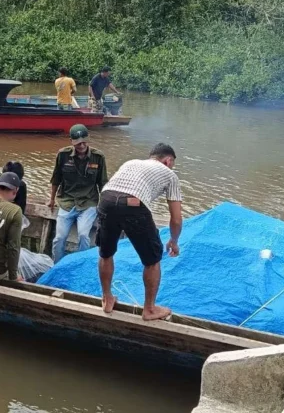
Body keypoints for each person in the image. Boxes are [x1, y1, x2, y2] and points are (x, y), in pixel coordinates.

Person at [96, 143, 183, 321]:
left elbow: (115, 191)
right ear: (168, 160)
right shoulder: (170, 174)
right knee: (153, 259)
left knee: (106, 253)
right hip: (133, 203)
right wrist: (173, 241)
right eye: (172, 163)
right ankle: (149, 309)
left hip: (105, 199)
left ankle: (107, 298)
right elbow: (176, 219)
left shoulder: (131, 163)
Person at [48, 124, 108, 262]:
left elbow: (103, 183)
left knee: (83, 235)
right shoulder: (63, 155)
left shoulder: (98, 157)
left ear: (88, 140)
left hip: (88, 203)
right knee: (59, 238)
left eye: (83, 142)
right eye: (78, 143)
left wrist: (104, 206)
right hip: (66, 202)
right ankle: (56, 266)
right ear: (71, 142)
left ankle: (81, 265)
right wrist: (51, 200)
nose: (81, 146)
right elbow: (56, 179)